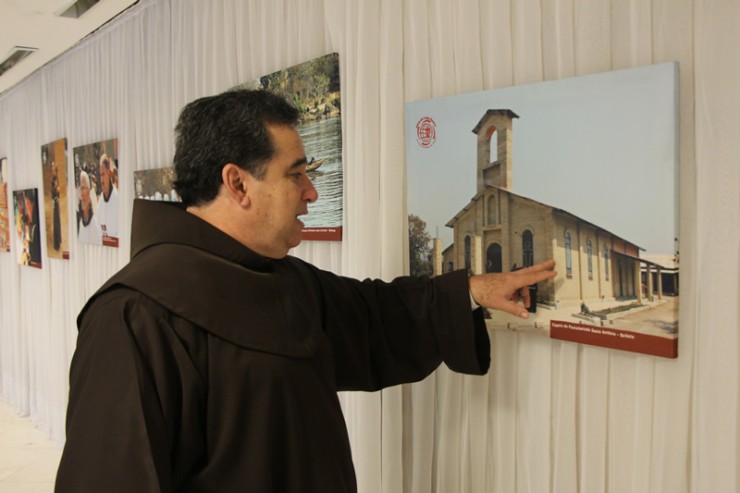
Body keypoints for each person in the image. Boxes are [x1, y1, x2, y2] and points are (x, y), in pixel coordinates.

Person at [55, 89, 557, 492]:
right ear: (237, 184)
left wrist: (471, 288)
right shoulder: (134, 316)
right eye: (296, 174)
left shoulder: (281, 278)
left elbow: (373, 316)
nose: (312, 192)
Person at [95, 153, 118, 240]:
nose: (101, 180)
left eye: (103, 174)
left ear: (109, 173)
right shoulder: (100, 203)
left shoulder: (118, 199)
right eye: (100, 175)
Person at [76, 171, 102, 245]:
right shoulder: (81, 222)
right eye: (80, 189)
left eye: (83, 188)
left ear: (89, 192)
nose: (81, 194)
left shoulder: (94, 224)